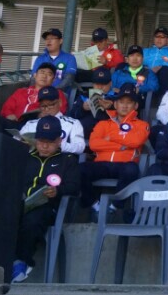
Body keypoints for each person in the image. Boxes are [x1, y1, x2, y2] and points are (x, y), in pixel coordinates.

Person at [11, 116, 80, 283]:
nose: (44, 146)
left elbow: (74, 187)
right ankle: (2, 261)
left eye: (49, 142)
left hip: (49, 207)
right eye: (41, 141)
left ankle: (22, 262)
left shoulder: (68, 161)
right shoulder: (26, 158)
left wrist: (57, 191)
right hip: (21, 204)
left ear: (59, 141)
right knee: (5, 216)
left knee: (32, 220)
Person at [80, 84, 149, 218]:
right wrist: (121, 146)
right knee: (79, 169)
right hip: (102, 163)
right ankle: (94, 205)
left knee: (131, 170)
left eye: (129, 102)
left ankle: (114, 207)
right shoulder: (103, 124)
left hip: (125, 164)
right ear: (115, 104)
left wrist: (111, 137)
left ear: (135, 106)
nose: (125, 106)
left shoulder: (142, 125)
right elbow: (94, 144)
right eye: (121, 102)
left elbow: (136, 142)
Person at [0, 62, 69, 129]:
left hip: (37, 126)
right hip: (14, 123)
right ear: (35, 75)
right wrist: (9, 114)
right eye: (42, 72)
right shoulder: (21, 91)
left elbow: (59, 111)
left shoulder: (57, 93)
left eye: (49, 74)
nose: (44, 76)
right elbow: (7, 107)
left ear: (53, 80)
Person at [19, 86, 85, 154]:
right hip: (32, 157)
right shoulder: (30, 124)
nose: (47, 109)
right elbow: (17, 141)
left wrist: (57, 145)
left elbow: (80, 147)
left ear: (60, 102)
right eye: (43, 106)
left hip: (60, 157)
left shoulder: (73, 123)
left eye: (51, 105)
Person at [69, 67, 116, 138]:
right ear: (93, 84)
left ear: (110, 83)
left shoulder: (117, 97)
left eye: (104, 84)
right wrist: (83, 108)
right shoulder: (84, 95)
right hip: (84, 134)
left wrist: (111, 107)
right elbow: (72, 115)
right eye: (97, 84)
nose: (100, 87)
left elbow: (125, 117)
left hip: (108, 134)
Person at [143, 26, 168, 102]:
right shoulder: (145, 51)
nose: (159, 39)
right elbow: (139, 62)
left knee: (165, 70)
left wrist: (159, 67)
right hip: (145, 75)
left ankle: (163, 100)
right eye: (157, 36)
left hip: (162, 77)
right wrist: (150, 70)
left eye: (163, 37)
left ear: (167, 40)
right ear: (154, 38)